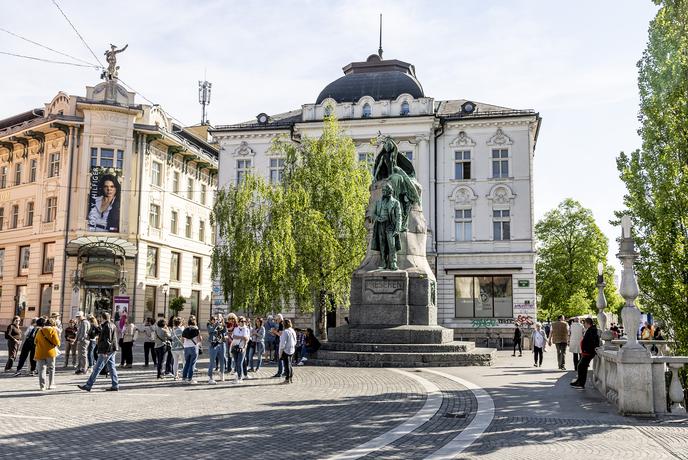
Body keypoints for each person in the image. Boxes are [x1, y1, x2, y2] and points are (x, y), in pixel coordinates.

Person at [78, 312, 119, 392]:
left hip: (107, 350)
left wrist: (105, 352)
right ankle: (115, 385)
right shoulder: (112, 325)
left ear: (102, 318)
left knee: (97, 368)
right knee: (111, 367)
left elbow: (108, 341)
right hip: (112, 349)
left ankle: (88, 385)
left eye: (100, 318)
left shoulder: (107, 326)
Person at [372, 183, 402, 270]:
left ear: (390, 191)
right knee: (382, 245)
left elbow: (399, 216)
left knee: (392, 245)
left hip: (390, 225)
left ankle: (393, 263)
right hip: (380, 225)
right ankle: (383, 263)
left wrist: (397, 228)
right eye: (383, 190)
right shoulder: (378, 202)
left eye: (385, 190)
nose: (383, 192)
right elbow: (373, 214)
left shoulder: (395, 202)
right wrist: (378, 218)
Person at [571, 318, 600, 389]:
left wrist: (586, 350)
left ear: (587, 323)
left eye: (584, 323)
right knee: (580, 366)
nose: (584, 325)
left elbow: (592, 341)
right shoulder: (591, 329)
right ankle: (579, 381)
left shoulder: (592, 330)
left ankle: (581, 383)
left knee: (581, 366)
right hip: (587, 351)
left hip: (588, 352)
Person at [34, 317, 61, 390]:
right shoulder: (53, 330)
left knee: (41, 369)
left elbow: (35, 341)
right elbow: (57, 342)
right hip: (50, 352)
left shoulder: (40, 330)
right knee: (51, 368)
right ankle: (51, 384)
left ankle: (42, 386)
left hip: (40, 352)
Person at [207, 315, 227, 384]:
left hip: (221, 344)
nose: (216, 320)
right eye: (214, 319)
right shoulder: (209, 325)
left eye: (218, 319)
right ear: (211, 320)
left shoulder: (221, 325)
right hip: (213, 345)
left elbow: (224, 331)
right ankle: (210, 377)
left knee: (222, 361)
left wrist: (223, 325)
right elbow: (211, 331)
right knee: (212, 362)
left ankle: (222, 373)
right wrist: (216, 325)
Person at [230, 316, 250, 383]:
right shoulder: (236, 328)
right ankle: (243, 375)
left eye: (244, 321)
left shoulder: (246, 329)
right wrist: (242, 337)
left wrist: (244, 347)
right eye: (242, 321)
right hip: (235, 347)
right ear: (238, 322)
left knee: (239, 363)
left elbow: (247, 339)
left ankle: (239, 377)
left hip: (242, 348)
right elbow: (233, 337)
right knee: (236, 362)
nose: (243, 322)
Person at [181, 316, 201, 384]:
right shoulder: (196, 330)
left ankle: (184, 378)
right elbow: (199, 340)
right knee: (192, 364)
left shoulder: (185, 330)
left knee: (187, 363)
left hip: (186, 348)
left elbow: (182, 339)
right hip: (193, 347)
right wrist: (198, 343)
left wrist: (185, 344)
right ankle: (190, 379)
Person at [279, 319, 297, 384]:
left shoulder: (285, 331)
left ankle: (287, 379)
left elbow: (282, 343)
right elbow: (295, 341)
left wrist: (280, 352)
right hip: (292, 349)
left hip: (286, 350)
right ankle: (290, 378)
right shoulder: (292, 330)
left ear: (284, 324)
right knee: (290, 364)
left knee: (287, 365)